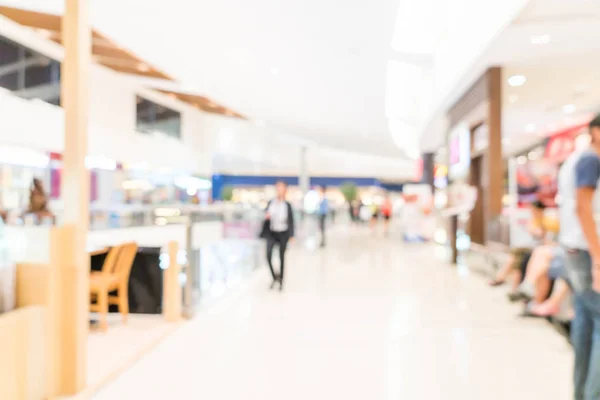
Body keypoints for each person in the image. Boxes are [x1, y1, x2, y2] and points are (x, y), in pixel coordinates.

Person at [559, 115, 600, 400]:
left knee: (585, 323)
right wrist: (599, 258)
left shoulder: (577, 158)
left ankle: (582, 394)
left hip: (576, 250)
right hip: (586, 253)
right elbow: (583, 209)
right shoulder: (590, 160)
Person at [488, 200, 552, 298]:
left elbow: (543, 236)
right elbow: (533, 231)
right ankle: (511, 286)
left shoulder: (546, 220)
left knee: (518, 256)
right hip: (530, 247)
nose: (532, 212)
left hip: (538, 248)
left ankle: (502, 279)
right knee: (517, 257)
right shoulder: (534, 220)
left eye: (534, 210)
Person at [264, 180, 294, 291]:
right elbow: (266, 215)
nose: (279, 190)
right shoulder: (271, 203)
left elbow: (291, 221)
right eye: (277, 188)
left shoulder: (287, 205)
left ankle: (281, 280)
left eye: (281, 188)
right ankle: (274, 277)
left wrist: (291, 235)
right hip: (272, 233)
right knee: (268, 255)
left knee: (282, 257)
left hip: (283, 233)